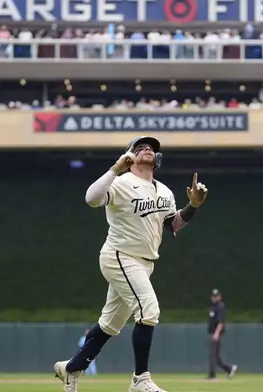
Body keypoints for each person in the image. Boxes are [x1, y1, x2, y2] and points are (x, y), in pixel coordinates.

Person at [53, 136, 209, 392]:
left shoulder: (165, 191)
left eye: (151, 148)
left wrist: (193, 205)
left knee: (109, 325)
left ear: (157, 159)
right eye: (140, 148)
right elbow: (91, 198)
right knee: (149, 310)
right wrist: (116, 168)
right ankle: (141, 380)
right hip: (119, 255)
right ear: (130, 155)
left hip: (145, 262)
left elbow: (172, 225)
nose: (147, 150)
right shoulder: (121, 182)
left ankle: (70, 368)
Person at [207, 288, 238, 380]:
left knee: (213, 355)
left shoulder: (220, 306)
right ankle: (229, 368)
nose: (214, 297)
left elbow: (220, 322)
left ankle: (212, 375)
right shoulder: (212, 307)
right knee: (215, 357)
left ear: (220, 297)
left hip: (216, 333)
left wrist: (217, 333)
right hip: (212, 333)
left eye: (216, 296)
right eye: (213, 296)